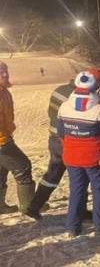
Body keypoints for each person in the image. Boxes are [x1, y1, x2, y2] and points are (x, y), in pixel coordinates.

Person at [27, 78, 92, 220]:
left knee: (53, 174)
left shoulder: (58, 90)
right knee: (79, 175)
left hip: (53, 139)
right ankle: (80, 211)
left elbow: (51, 112)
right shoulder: (75, 97)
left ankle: (34, 206)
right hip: (67, 141)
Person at [58, 68, 100, 236]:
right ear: (97, 87)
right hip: (94, 159)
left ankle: (73, 227)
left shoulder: (64, 106)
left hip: (71, 157)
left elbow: (60, 132)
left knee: (76, 190)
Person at [0, 61, 35, 214]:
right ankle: (29, 207)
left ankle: (0, 206)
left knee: (1, 170)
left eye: (5, 71)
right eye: (1, 72)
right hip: (1, 142)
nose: (5, 74)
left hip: (5, 137)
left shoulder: (4, 92)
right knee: (23, 166)